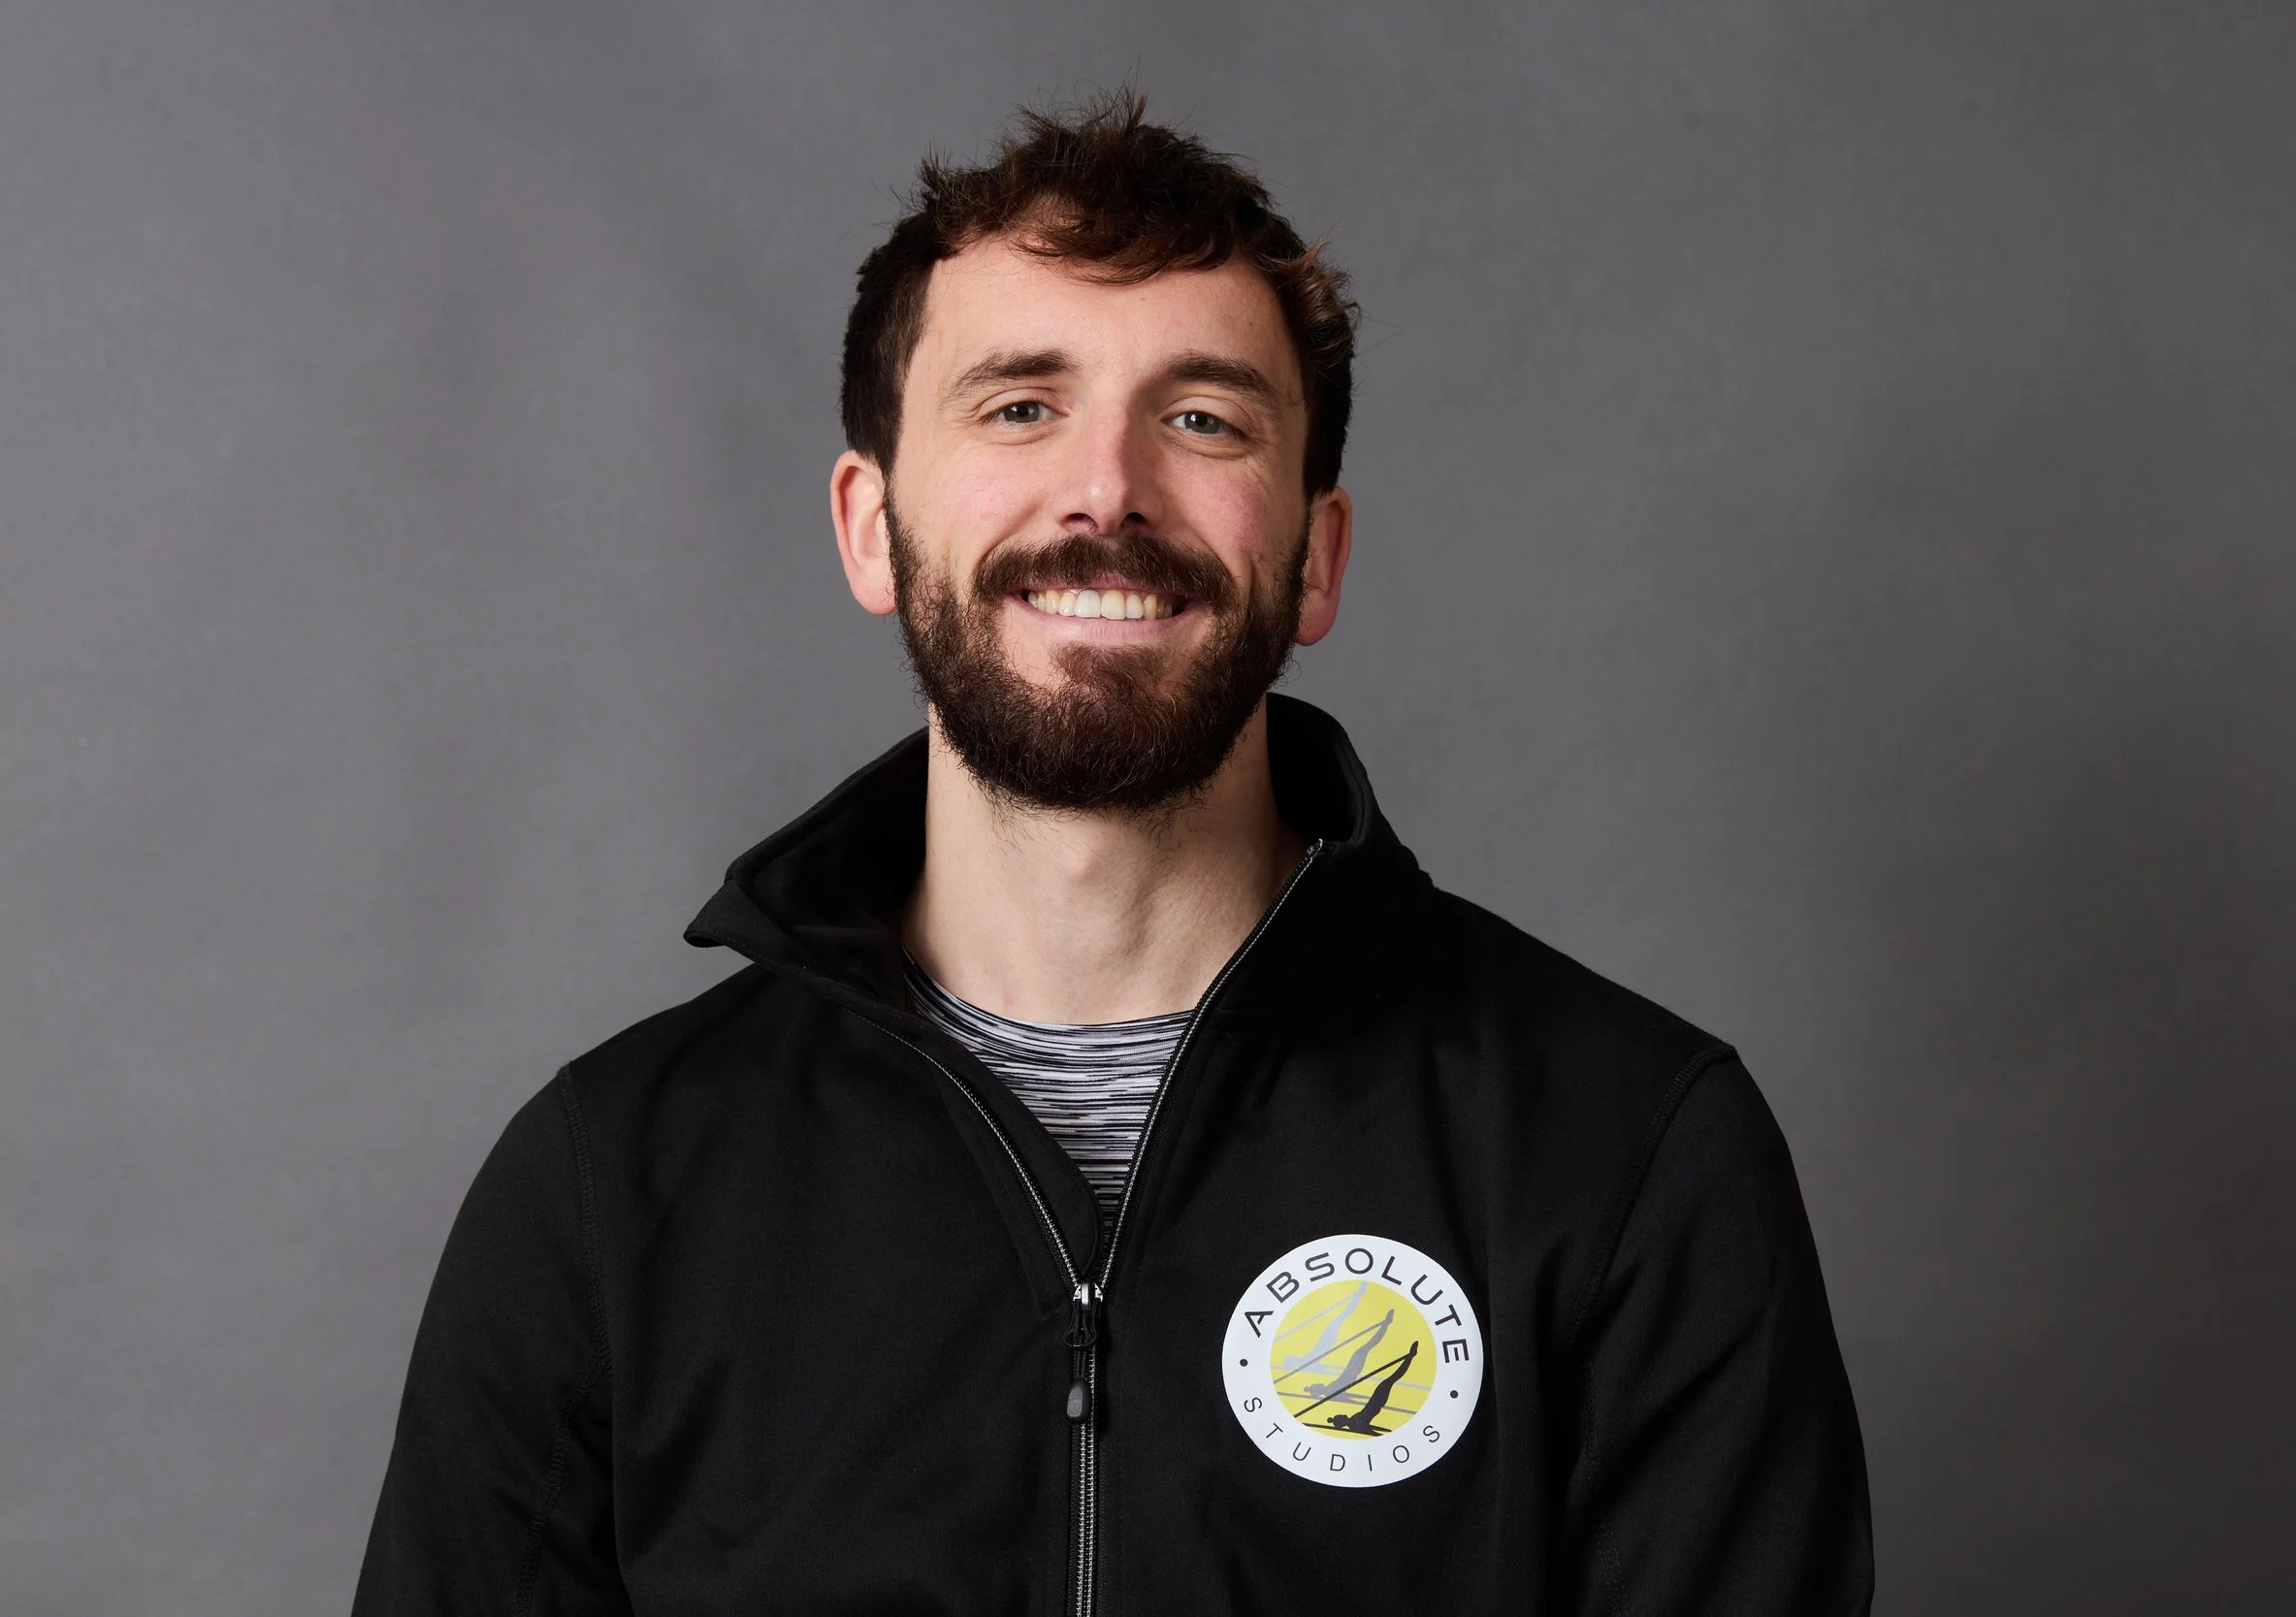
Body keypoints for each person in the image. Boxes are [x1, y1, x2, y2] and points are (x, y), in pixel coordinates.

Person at [353, 90, 1873, 1616]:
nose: (1108, 490)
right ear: (871, 526)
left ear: (1314, 554)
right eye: (1021, 405)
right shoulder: (612, 1189)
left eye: (1202, 417)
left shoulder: (1621, 1154)